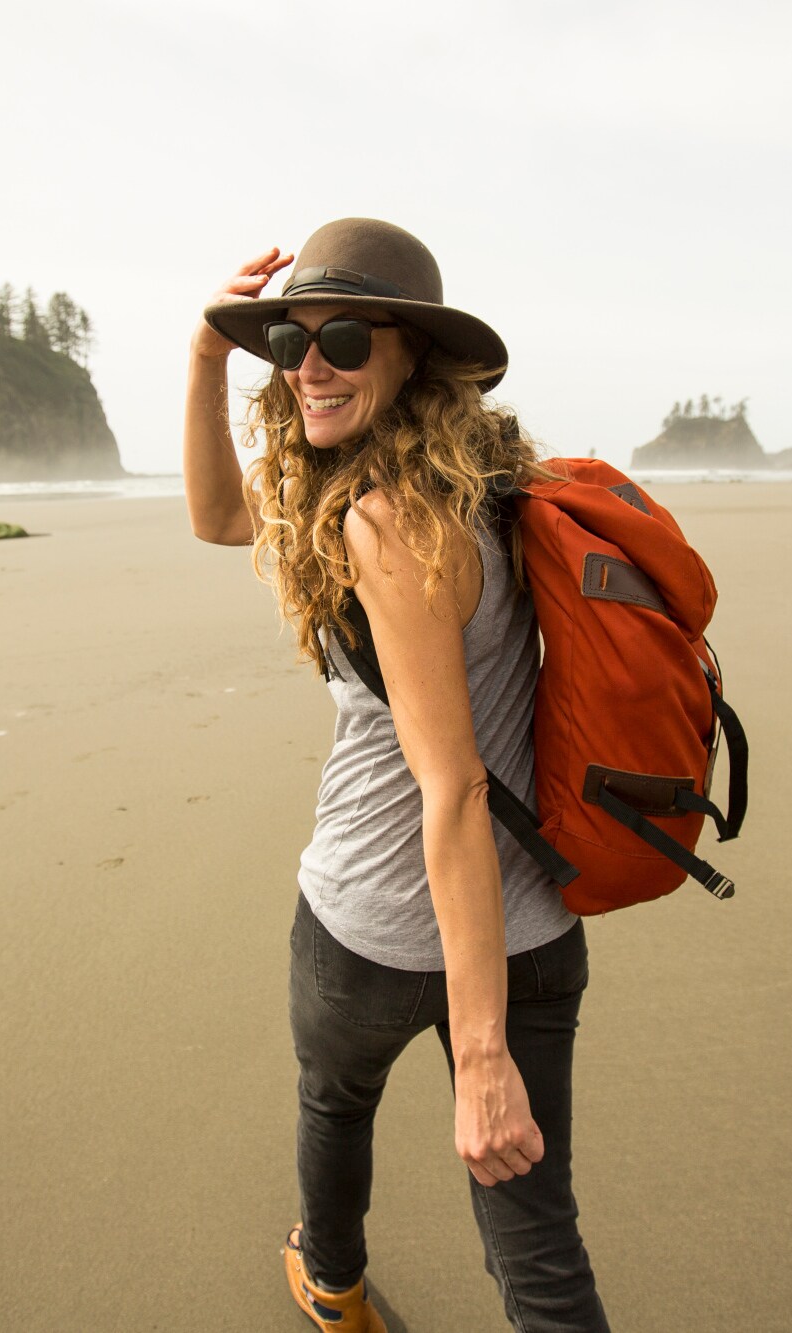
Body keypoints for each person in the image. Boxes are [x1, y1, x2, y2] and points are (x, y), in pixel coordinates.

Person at [183, 218, 611, 1333]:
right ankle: (332, 1278)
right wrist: (203, 354)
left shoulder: (379, 519)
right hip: (527, 931)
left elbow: (454, 785)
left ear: (408, 352)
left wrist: (478, 1055)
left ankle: (332, 1286)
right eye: (286, 337)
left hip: (372, 926)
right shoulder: (498, 486)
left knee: (335, 1101)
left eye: (339, 336)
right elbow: (220, 516)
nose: (309, 363)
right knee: (536, 1237)